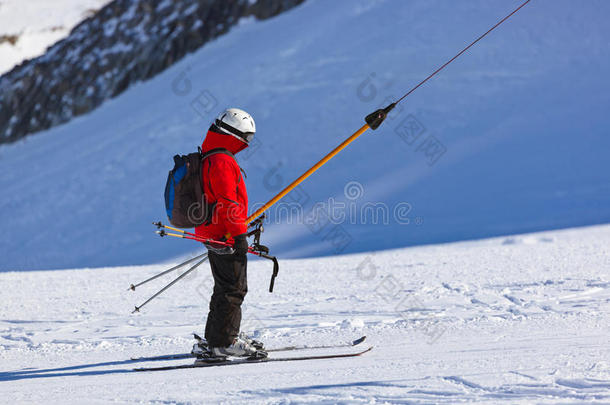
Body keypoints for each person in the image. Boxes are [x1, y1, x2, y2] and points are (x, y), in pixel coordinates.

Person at [193, 108, 263, 359]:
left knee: (224, 288)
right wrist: (239, 235)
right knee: (234, 289)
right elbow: (227, 202)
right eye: (247, 137)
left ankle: (216, 337)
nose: (247, 143)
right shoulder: (222, 160)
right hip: (224, 234)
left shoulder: (211, 155)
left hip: (213, 231)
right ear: (233, 134)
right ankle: (223, 342)